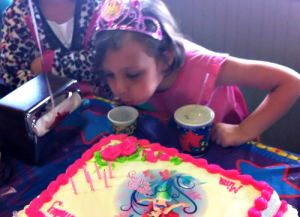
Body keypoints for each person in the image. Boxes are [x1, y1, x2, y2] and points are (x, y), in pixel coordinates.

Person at [93, 0, 300, 147]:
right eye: (109, 74)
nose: (119, 88)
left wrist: (242, 131)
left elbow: (291, 82)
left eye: (133, 74)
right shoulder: (133, 67)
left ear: (166, 59)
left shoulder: (206, 68)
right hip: (173, 144)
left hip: (224, 146)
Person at [0, 0, 101, 95]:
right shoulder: (17, 13)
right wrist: (81, 87)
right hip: (48, 109)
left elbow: (104, 63)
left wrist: (48, 64)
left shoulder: (99, 6)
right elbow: (11, 76)